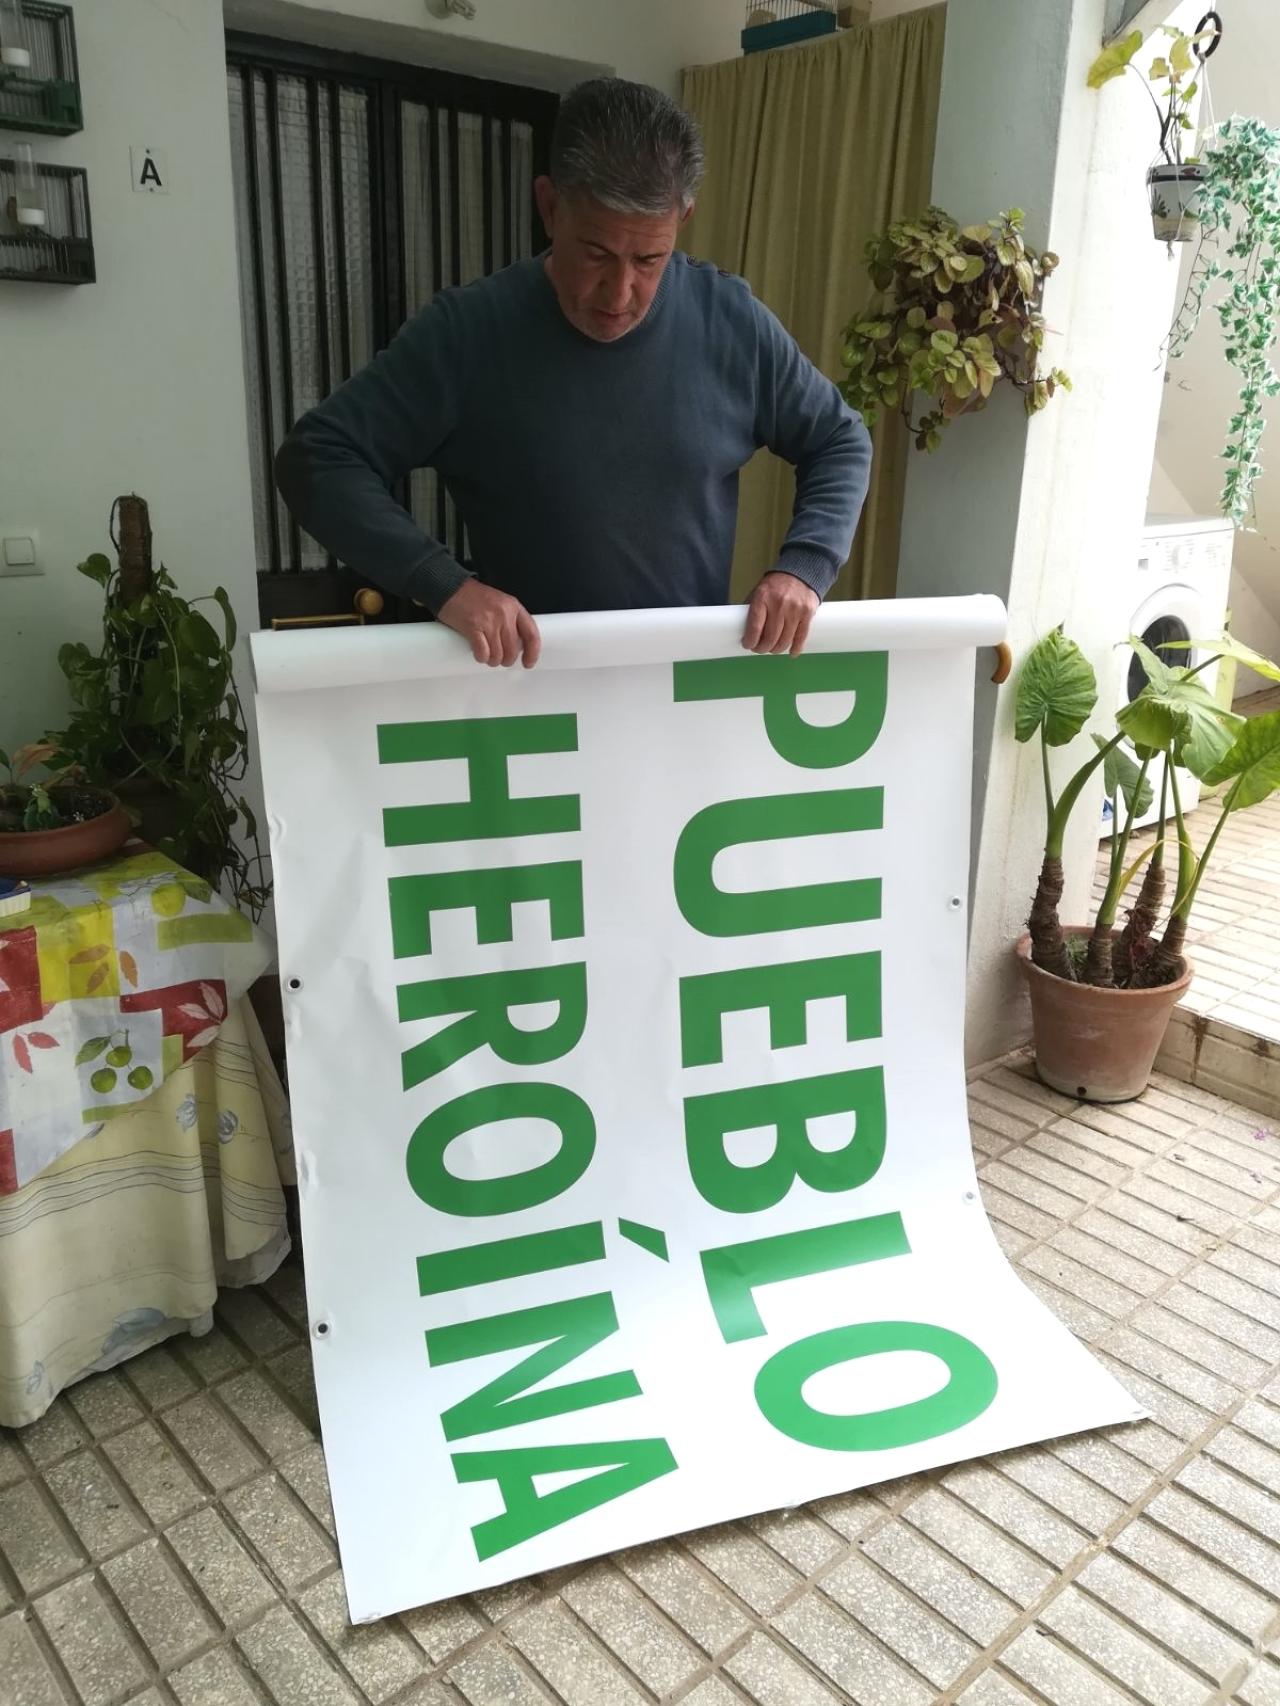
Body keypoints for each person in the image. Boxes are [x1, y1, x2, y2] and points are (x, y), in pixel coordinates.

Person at [275, 77, 872, 668]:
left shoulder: (731, 323)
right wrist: (445, 584)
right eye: (595, 253)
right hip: (530, 702)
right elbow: (318, 458)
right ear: (549, 206)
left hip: (681, 698)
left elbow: (840, 439)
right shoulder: (468, 333)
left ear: (682, 219)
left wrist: (805, 566)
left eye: (648, 259)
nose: (620, 292)